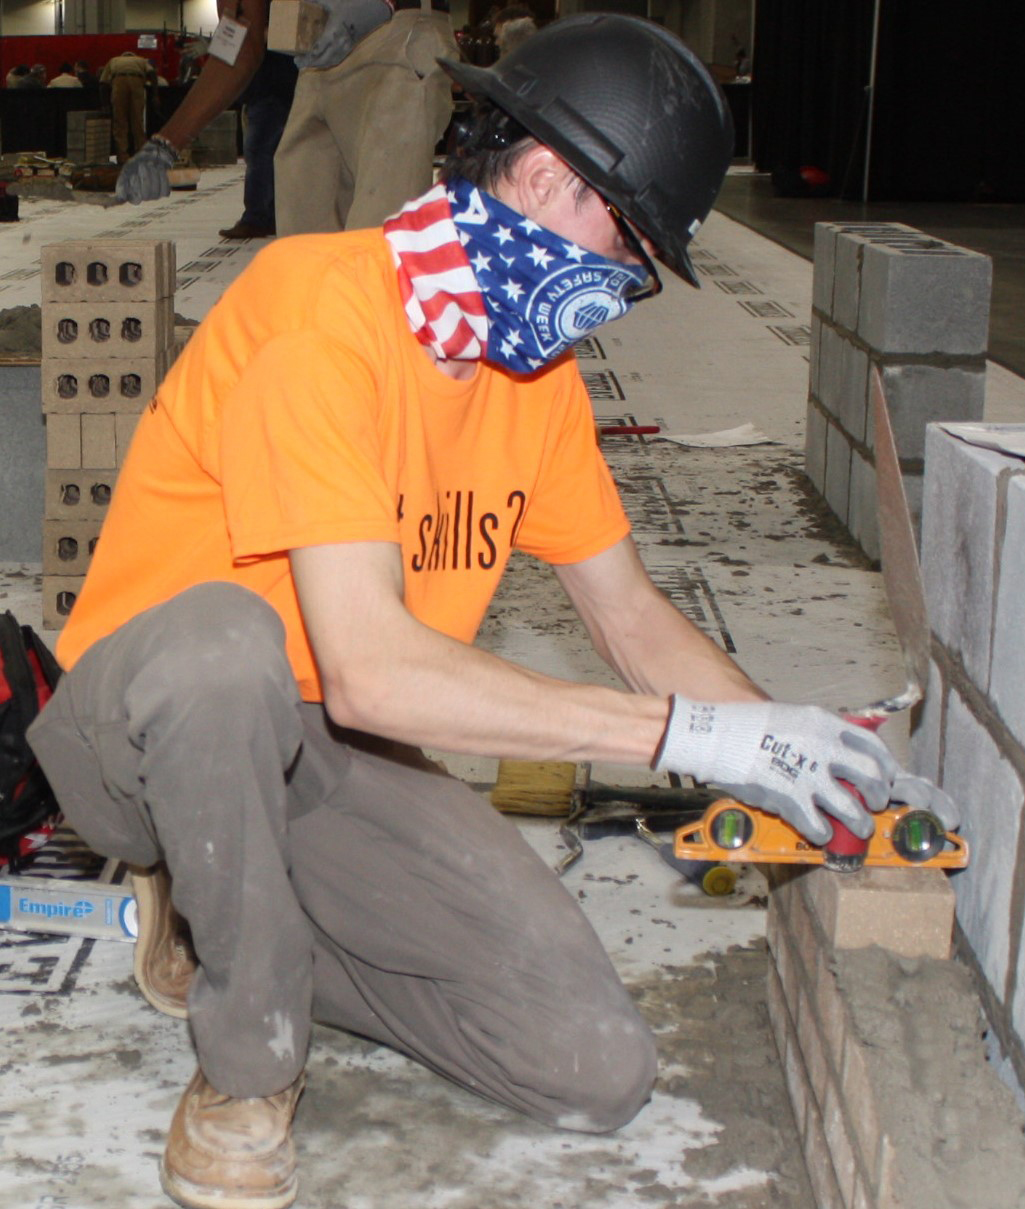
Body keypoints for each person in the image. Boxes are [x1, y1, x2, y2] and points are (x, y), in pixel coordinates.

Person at [27, 16, 958, 1209]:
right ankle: (244, 1062)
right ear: (543, 176)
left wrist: (789, 745)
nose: (620, 292)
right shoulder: (319, 314)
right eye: (624, 251)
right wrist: (685, 741)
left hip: (324, 742)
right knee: (228, 646)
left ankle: (227, 917)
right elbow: (366, 666)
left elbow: (628, 618)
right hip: (150, 732)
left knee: (589, 1064)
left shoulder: (534, 390)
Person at [113, 0, 457, 237]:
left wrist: (377, 5)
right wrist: (165, 145)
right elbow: (236, 43)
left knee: (379, 240)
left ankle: (384, 341)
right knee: (304, 246)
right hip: (315, 67)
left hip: (396, 45)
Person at [218, 49, 299, 239]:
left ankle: (256, 219)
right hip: (278, 90)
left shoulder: (266, 26)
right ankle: (270, 217)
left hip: (269, 91)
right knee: (272, 156)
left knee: (259, 154)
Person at [100, 50, 156, 163]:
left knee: (120, 122)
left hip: (118, 82)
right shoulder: (141, 60)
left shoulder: (114, 60)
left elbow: (103, 83)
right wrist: (155, 96)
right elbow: (152, 73)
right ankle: (141, 154)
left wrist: (105, 104)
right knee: (138, 122)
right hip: (137, 82)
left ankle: (122, 157)